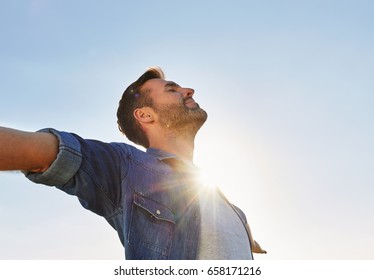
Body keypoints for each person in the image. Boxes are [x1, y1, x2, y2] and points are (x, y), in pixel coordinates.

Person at [0, 67, 266, 259]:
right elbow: (47, 154)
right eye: (172, 89)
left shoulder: (229, 208)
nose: (188, 90)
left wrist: (247, 238)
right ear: (145, 115)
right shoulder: (126, 166)